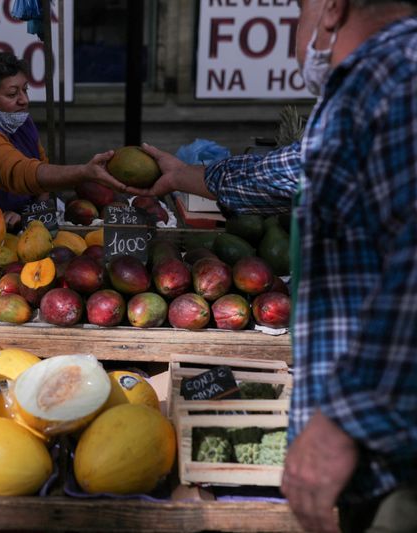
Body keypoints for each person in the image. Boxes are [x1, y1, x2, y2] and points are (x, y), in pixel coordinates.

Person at [145, 1, 417, 532]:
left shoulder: (395, 74)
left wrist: (341, 422)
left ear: (331, 7)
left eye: (298, 8)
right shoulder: (381, 79)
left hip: (398, 453)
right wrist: (186, 176)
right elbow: (295, 170)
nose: (296, 25)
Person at [0, 47, 143, 254]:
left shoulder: (19, 122)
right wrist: (85, 172)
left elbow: (40, 172)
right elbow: (24, 173)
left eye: (25, 90)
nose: (24, 100)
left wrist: (29, 214)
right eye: (12, 94)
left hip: (0, 242)